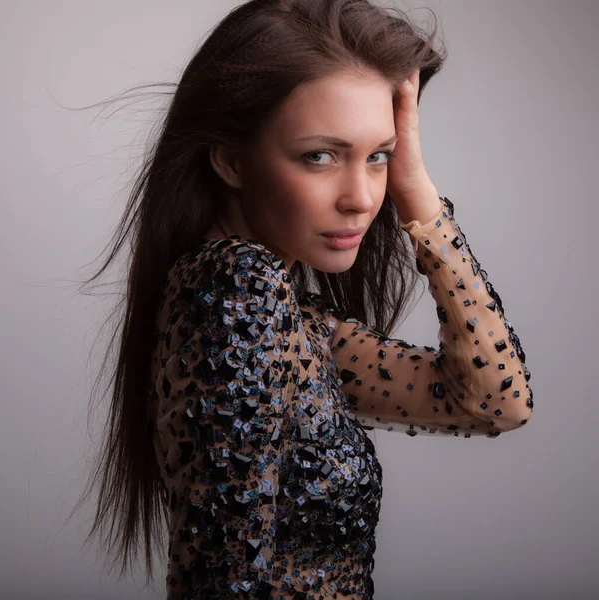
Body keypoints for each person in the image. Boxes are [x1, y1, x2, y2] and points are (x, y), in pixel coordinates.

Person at [75, 1, 533, 599]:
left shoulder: (289, 320)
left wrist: (416, 191)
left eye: (378, 157)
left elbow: (494, 401)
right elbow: (226, 583)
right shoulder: (238, 292)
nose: (362, 198)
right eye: (320, 156)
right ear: (231, 160)